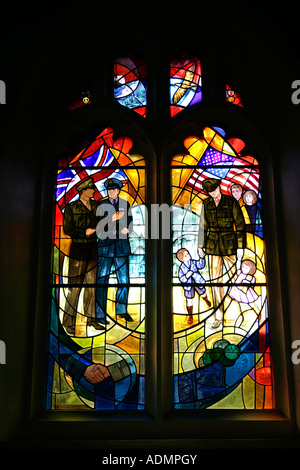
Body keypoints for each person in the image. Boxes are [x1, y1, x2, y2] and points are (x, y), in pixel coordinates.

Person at [198, 178, 246, 329]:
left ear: (219, 187)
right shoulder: (206, 204)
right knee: (215, 282)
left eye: (214, 190)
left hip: (230, 244)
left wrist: (240, 248)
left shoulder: (231, 202)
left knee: (235, 279)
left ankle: (239, 313)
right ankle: (219, 316)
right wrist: (200, 246)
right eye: (210, 192)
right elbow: (202, 226)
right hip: (212, 246)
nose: (213, 193)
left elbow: (239, 224)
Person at [62, 177, 106, 335]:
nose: (94, 190)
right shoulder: (71, 207)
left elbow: (102, 224)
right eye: (91, 188)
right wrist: (84, 232)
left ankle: (91, 319)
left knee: (91, 286)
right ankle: (68, 322)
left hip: (93, 249)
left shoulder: (96, 206)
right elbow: (67, 229)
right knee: (74, 288)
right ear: (83, 191)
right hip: (78, 250)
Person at [96, 177, 134, 322]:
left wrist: (127, 229)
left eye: (114, 189)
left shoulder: (125, 204)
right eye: (109, 190)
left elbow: (130, 222)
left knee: (124, 280)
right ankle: (99, 314)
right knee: (101, 281)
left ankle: (122, 310)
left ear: (118, 190)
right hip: (106, 246)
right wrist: (113, 218)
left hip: (121, 247)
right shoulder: (101, 205)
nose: (111, 192)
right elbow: (98, 226)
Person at [176, 248, 211, 325]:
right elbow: (181, 279)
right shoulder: (181, 268)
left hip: (197, 281)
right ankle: (190, 316)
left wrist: (202, 257)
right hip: (188, 286)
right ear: (182, 259)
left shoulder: (193, 263)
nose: (188, 255)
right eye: (186, 255)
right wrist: (187, 276)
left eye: (188, 253)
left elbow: (201, 265)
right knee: (189, 300)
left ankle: (206, 300)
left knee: (203, 294)